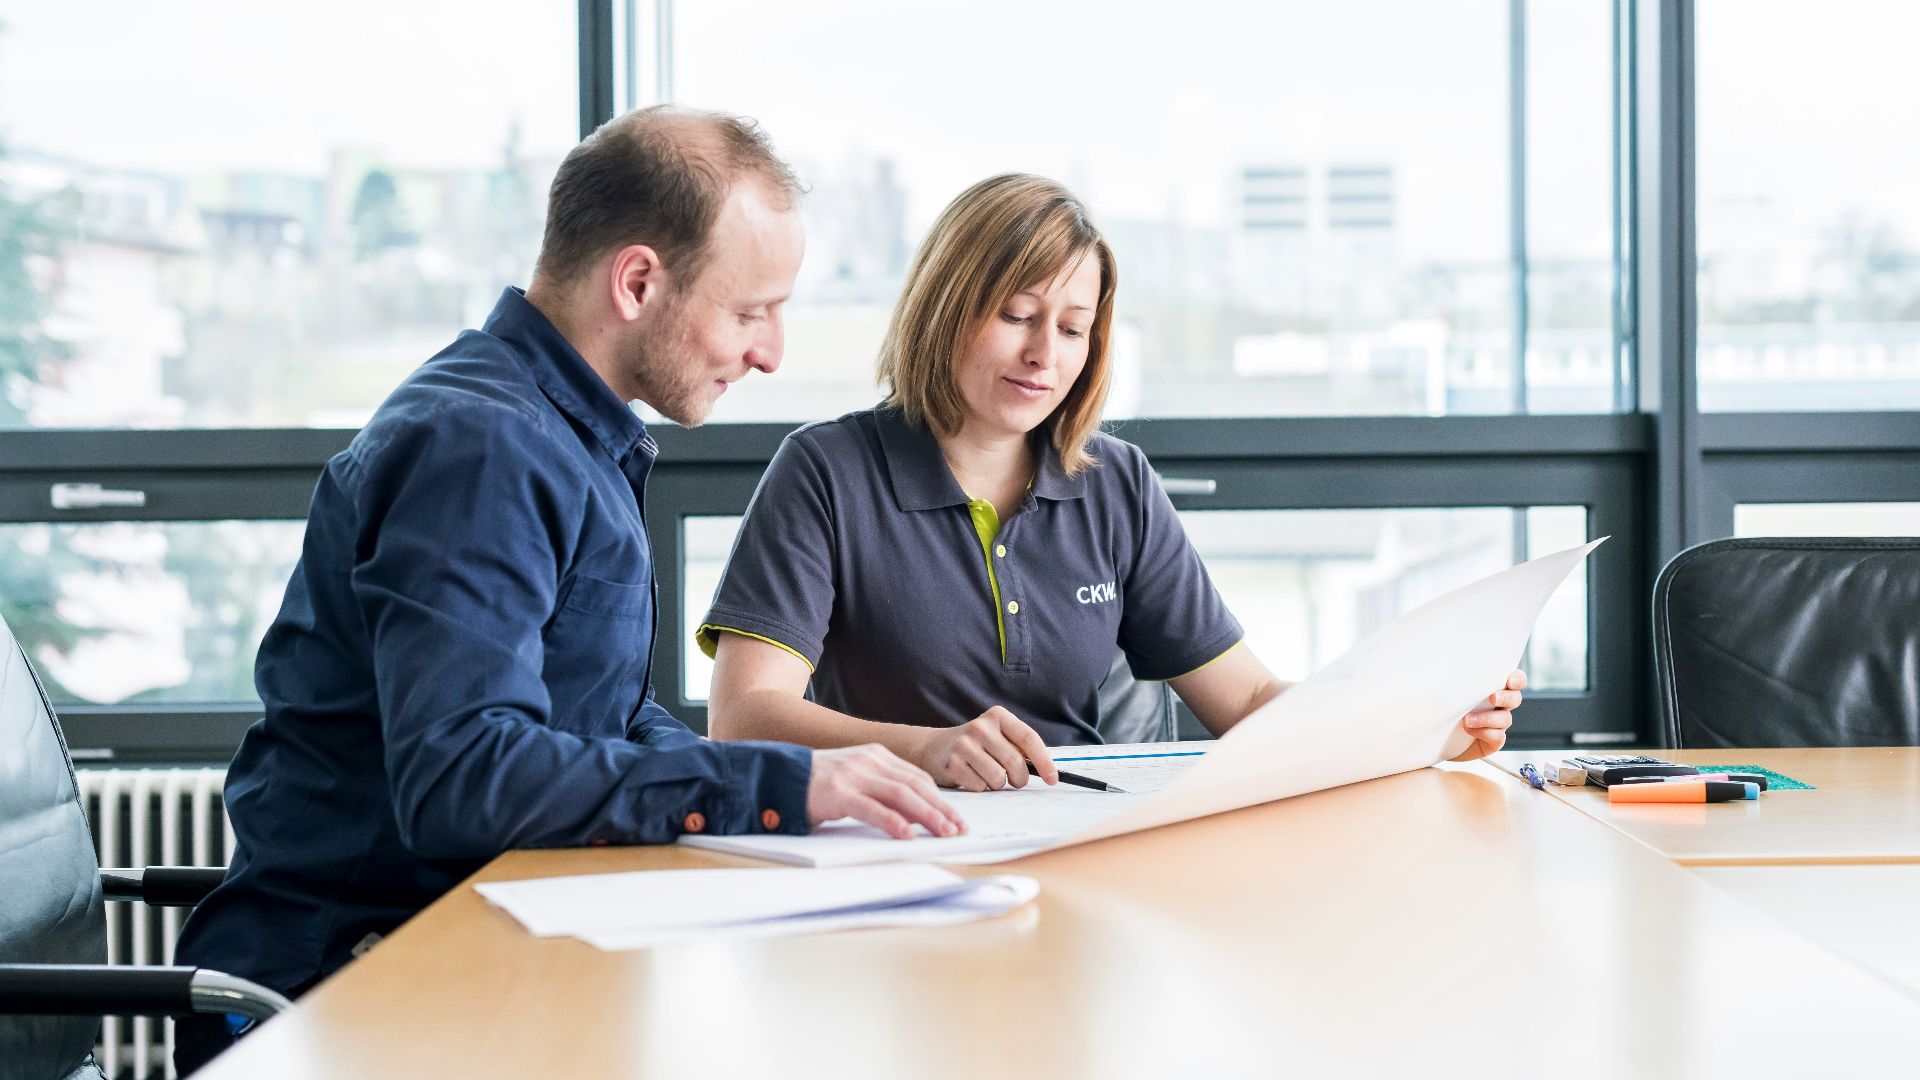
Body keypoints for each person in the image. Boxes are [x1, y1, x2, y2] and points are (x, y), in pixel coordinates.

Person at [172, 106, 962, 1075]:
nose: (771, 353)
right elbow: (462, 775)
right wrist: (769, 784)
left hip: (466, 943)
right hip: (348, 985)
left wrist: (774, 812)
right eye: (752, 311)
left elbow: (613, 717)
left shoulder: (571, 438)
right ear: (637, 282)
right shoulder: (482, 447)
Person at [699, 173, 1525, 792]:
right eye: (1017, 316)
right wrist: (925, 748)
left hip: (1079, 831)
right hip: (903, 837)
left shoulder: (1116, 483)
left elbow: (1249, 700)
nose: (1044, 356)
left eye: (1072, 329)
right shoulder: (826, 472)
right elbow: (743, 718)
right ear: (946, 307)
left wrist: (1423, 724)